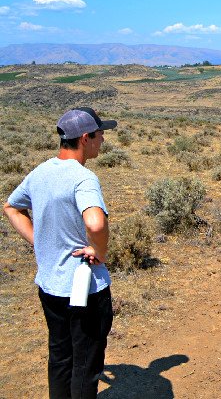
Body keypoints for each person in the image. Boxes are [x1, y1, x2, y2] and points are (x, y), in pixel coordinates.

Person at [3, 107, 117, 398]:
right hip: (86, 290)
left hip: (50, 286)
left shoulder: (40, 172)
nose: (103, 139)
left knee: (60, 358)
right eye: (99, 134)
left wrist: (39, 242)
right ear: (84, 138)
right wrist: (99, 251)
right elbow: (95, 221)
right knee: (86, 366)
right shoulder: (84, 178)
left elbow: (11, 207)